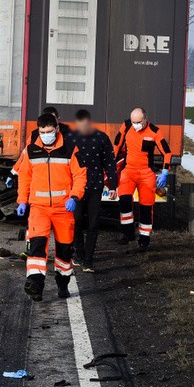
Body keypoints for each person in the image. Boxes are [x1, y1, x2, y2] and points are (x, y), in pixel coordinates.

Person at [16, 113, 87, 300]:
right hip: (39, 208)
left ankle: (62, 284)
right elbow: (24, 177)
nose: (45, 135)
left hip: (64, 208)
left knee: (64, 251)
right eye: (42, 132)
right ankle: (35, 286)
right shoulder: (30, 151)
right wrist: (22, 200)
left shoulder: (70, 149)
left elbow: (80, 175)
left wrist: (74, 196)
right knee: (37, 247)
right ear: (38, 130)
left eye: (49, 131)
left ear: (56, 129)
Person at [113, 107, 172, 250]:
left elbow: (167, 152)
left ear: (145, 119)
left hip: (146, 174)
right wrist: (111, 165)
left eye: (138, 122)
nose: (135, 125)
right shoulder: (126, 126)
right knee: (124, 200)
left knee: (146, 207)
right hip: (129, 171)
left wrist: (165, 171)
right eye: (133, 122)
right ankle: (127, 233)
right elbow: (116, 145)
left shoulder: (155, 132)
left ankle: (144, 239)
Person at [71, 109, 118, 272]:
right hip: (76, 188)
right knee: (76, 221)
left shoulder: (101, 138)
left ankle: (88, 259)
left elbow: (109, 162)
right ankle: (79, 251)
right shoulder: (72, 139)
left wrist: (113, 185)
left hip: (95, 187)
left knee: (94, 222)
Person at [6, 106, 73, 188]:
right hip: (41, 182)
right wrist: (13, 173)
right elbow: (24, 156)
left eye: (52, 118)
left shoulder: (69, 135)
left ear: (58, 120)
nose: (48, 121)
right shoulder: (35, 135)